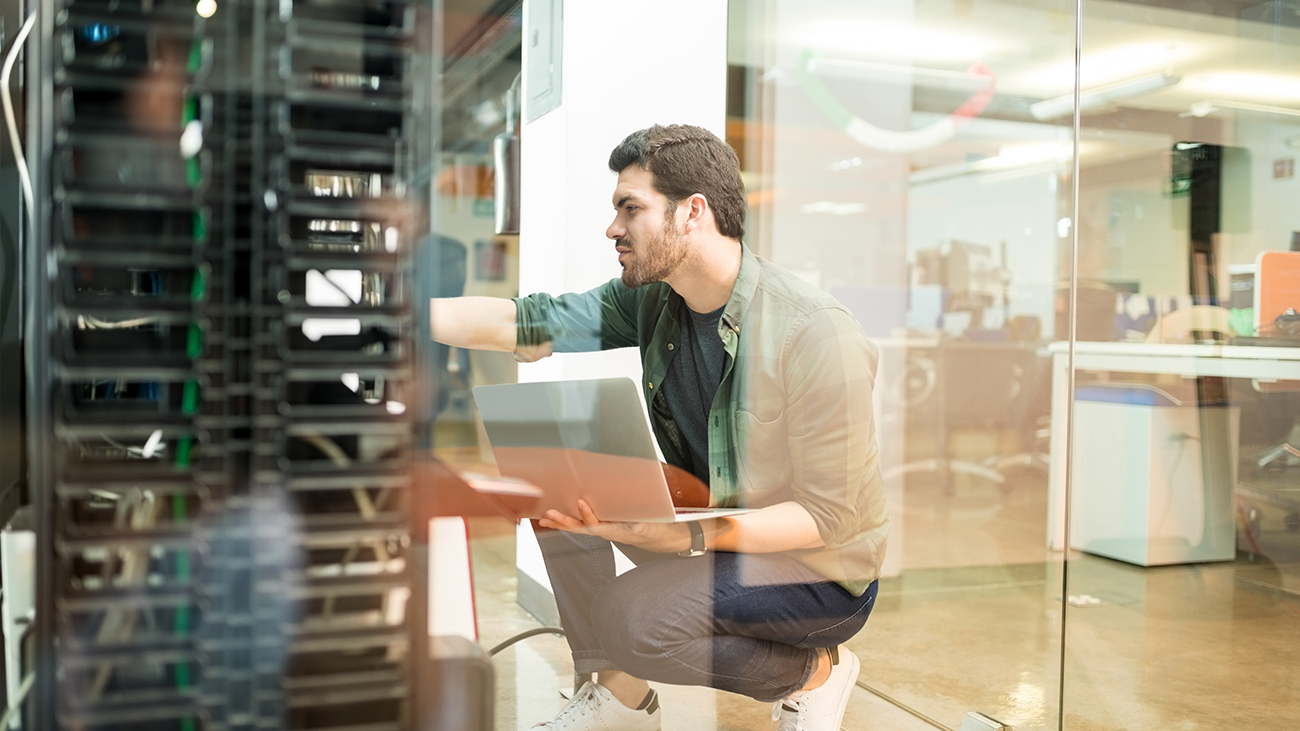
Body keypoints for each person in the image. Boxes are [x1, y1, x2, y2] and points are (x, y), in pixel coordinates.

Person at [431, 124, 889, 731]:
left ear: (692, 212)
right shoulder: (653, 299)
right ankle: (620, 697)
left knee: (634, 619)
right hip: (715, 527)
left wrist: (682, 539)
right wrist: (398, 315)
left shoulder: (816, 333)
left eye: (630, 208)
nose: (613, 228)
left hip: (818, 571)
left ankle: (816, 674)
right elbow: (531, 322)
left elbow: (830, 518)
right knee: (561, 474)